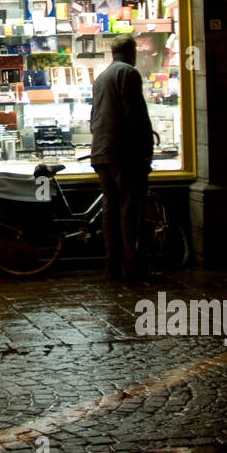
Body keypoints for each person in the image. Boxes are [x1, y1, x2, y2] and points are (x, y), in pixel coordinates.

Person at [90, 34, 155, 282]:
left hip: (103, 152)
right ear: (132, 52)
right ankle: (132, 267)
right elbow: (135, 115)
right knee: (130, 211)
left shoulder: (102, 77)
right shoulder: (129, 73)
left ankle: (112, 266)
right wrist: (146, 149)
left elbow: (94, 115)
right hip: (124, 154)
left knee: (110, 211)